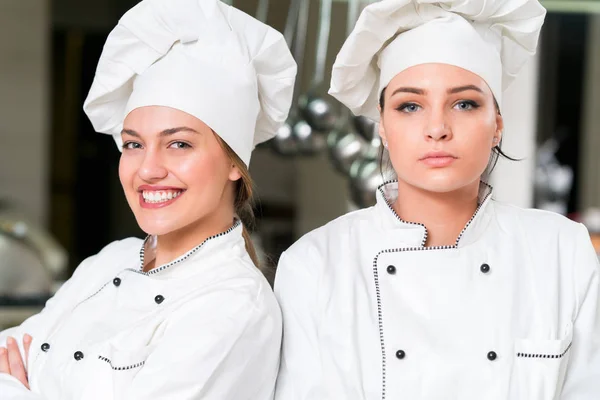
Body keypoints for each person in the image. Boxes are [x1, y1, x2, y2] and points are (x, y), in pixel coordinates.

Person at [274, 0, 600, 399]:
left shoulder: (562, 250)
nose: (437, 129)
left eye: (464, 103)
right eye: (410, 106)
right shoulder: (313, 265)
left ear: (496, 124)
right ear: (384, 128)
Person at [0, 0, 296, 398]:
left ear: (234, 163)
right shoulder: (110, 261)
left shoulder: (233, 307)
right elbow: (7, 351)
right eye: (133, 144)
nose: (148, 169)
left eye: (178, 143)